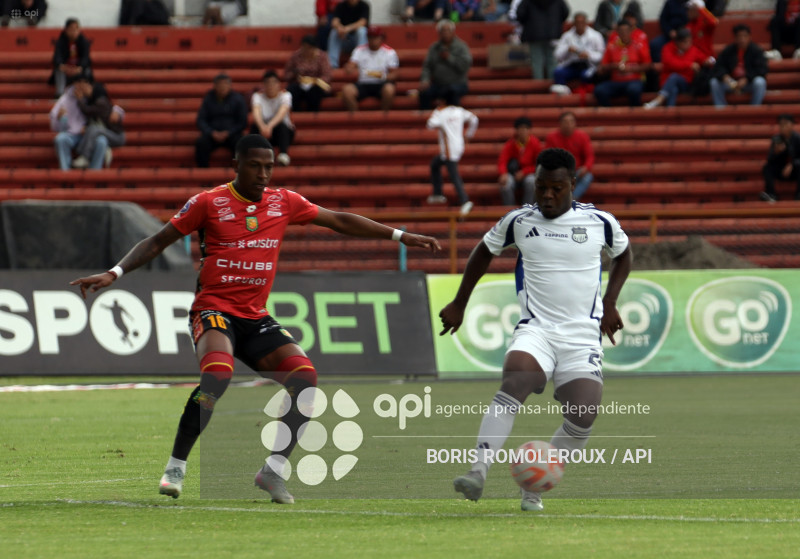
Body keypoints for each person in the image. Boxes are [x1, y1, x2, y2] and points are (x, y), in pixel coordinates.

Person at [70, 134, 441, 503]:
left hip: (255, 316)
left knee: (306, 381)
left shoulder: (285, 202)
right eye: (254, 165)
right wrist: (114, 274)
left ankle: (273, 471)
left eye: (269, 166)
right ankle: (176, 466)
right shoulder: (209, 202)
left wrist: (401, 235)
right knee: (217, 376)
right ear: (236, 165)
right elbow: (157, 240)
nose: (263, 173)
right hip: (214, 310)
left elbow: (338, 220)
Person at [441, 147, 632, 512]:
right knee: (515, 381)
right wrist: (460, 302)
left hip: (581, 337)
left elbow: (624, 254)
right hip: (537, 331)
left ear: (573, 185)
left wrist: (609, 302)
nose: (546, 195)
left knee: (583, 414)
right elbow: (484, 250)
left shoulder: (600, 223)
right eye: (540, 186)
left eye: (556, 188)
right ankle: (477, 472)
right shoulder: (518, 221)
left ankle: (534, 487)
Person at [426, 92, 479, 216]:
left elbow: (430, 124)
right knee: (435, 164)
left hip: (448, 149)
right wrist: (469, 135)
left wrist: (438, 114)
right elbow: (474, 119)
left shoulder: (440, 112)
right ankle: (437, 193)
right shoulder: (460, 111)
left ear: (443, 101)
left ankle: (465, 200)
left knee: (453, 174)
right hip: (459, 146)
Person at [644, 28, 711, 109]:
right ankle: (670, 113)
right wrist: (689, 65)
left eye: (690, 41)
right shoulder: (667, 48)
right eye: (686, 42)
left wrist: (708, 61)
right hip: (667, 82)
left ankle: (659, 99)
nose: (689, 44)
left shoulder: (693, 50)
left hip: (686, 83)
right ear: (678, 42)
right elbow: (671, 63)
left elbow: (704, 59)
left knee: (674, 77)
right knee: (673, 88)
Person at [195, 73, 248, 168]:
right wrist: (211, 132)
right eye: (220, 85)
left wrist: (229, 132)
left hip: (231, 134)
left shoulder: (238, 99)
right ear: (215, 86)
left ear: (230, 86)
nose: (222, 88)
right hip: (213, 134)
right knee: (201, 143)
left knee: (241, 144)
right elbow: (201, 120)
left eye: (225, 85)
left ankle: (238, 173)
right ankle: (203, 172)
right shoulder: (208, 99)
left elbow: (242, 122)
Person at [341, 26, 399, 113]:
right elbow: (351, 65)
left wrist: (383, 76)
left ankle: (383, 117)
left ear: (381, 38)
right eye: (370, 37)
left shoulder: (389, 52)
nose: (373, 40)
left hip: (381, 83)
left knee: (389, 90)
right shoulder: (359, 50)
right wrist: (348, 68)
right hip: (364, 82)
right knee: (347, 90)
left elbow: (394, 74)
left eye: (375, 37)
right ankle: (357, 119)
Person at [594, 20, 651, 107]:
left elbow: (648, 65)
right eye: (621, 31)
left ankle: (635, 116)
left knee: (633, 90)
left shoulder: (639, 45)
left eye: (626, 31)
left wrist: (630, 69)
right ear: (617, 32)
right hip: (616, 81)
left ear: (631, 31)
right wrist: (614, 66)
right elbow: (603, 66)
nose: (624, 34)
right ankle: (610, 115)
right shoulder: (611, 46)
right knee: (599, 90)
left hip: (634, 80)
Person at [72, 79, 126, 170]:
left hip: (116, 136)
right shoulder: (93, 103)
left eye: (89, 87)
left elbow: (87, 110)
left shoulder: (101, 103)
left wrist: (80, 99)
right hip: (105, 135)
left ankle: (85, 156)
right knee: (100, 140)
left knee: (94, 129)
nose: (86, 90)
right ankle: (94, 168)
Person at [418, 20, 472, 111]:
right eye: (443, 31)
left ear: (453, 32)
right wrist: (425, 80)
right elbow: (427, 66)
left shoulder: (461, 47)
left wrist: (449, 58)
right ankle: (427, 119)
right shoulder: (434, 47)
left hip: (457, 83)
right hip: (438, 84)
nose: (446, 33)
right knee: (424, 93)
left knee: (452, 92)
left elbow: (465, 66)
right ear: (439, 33)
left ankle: (453, 120)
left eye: (448, 31)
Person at [709, 24, 768, 107]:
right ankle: (721, 109)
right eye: (739, 36)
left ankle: (754, 108)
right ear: (735, 38)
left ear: (749, 37)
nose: (742, 39)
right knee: (714, 82)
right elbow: (718, 66)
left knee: (760, 82)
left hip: (749, 83)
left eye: (744, 36)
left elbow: (762, 70)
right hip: (731, 82)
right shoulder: (728, 50)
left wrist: (747, 78)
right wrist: (725, 77)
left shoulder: (756, 51)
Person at [550, 12, 605, 95]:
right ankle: (562, 96)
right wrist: (567, 49)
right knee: (558, 72)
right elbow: (557, 55)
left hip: (588, 65)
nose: (579, 25)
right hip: (572, 65)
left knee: (587, 76)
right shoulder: (567, 36)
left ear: (586, 23)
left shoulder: (596, 35)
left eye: (582, 22)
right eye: (577, 22)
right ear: (573, 23)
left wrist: (589, 55)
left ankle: (586, 96)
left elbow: (602, 55)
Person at [49, 74, 95, 171]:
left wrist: (88, 126)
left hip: (88, 134)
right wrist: (58, 117)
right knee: (60, 139)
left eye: (84, 82)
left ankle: (95, 172)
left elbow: (100, 114)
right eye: (78, 83)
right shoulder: (64, 99)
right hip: (71, 134)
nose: (80, 86)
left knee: (101, 141)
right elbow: (54, 124)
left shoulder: (92, 97)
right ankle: (65, 171)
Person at [544, 111, 594, 200]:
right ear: (560, 124)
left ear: (575, 123)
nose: (568, 124)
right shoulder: (551, 137)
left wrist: (586, 167)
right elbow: (547, 157)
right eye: (566, 122)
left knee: (588, 176)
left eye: (571, 121)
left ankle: (571, 199)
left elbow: (590, 156)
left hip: (576, 172)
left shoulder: (582, 136)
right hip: (558, 172)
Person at [515, 0, 570, 80]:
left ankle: (538, 85)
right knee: (552, 60)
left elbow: (520, 14)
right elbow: (565, 12)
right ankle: (552, 83)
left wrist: (528, 23)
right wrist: (556, 23)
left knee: (536, 61)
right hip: (553, 33)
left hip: (533, 34)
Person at [251, 70, 294, 167]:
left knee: (282, 126)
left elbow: (282, 112)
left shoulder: (285, 95)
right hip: (264, 132)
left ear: (279, 84)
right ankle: (255, 156)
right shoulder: (257, 96)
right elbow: (256, 113)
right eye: (268, 83)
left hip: (282, 133)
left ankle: (283, 154)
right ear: (263, 85)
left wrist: (270, 126)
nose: (271, 86)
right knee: (254, 127)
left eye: (273, 82)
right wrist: (262, 127)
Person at [497, 116, 541, 206]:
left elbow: (539, 164)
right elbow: (502, 161)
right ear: (516, 130)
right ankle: (509, 210)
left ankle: (527, 208)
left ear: (529, 130)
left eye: (526, 128)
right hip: (513, 174)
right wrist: (503, 173)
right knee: (505, 184)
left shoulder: (535, 144)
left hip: (529, 174)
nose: (523, 131)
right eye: (520, 128)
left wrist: (524, 172)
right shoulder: (511, 144)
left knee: (531, 181)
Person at [284, 35, 332, 113]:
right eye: (304, 47)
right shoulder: (296, 56)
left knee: (314, 93)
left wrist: (314, 81)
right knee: (292, 90)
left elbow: (327, 75)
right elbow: (287, 74)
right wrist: (294, 73)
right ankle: (295, 114)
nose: (306, 50)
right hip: (299, 84)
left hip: (316, 85)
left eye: (309, 48)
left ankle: (313, 116)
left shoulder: (322, 57)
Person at [48, 18, 92, 98]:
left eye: (76, 29)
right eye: (71, 29)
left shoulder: (84, 42)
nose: (74, 32)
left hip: (78, 70)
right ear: (66, 30)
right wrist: (63, 67)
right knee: (58, 70)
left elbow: (86, 58)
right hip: (65, 70)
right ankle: (60, 94)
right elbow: (57, 58)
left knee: (87, 70)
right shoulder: (60, 42)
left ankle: (86, 94)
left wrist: (79, 68)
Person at [761, 114, 800, 202]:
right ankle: (771, 195)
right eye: (781, 125)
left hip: (795, 170)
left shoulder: (797, 138)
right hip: (781, 170)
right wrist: (776, 153)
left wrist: (792, 164)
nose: (783, 127)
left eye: (786, 124)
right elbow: (770, 160)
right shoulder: (776, 139)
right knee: (767, 168)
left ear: (792, 125)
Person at [327, 0, 369, 69]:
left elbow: (363, 22)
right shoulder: (340, 6)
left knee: (362, 31)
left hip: (358, 41)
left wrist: (347, 29)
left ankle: (360, 64)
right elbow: (334, 22)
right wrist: (339, 28)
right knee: (334, 32)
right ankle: (332, 65)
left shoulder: (364, 6)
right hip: (344, 40)